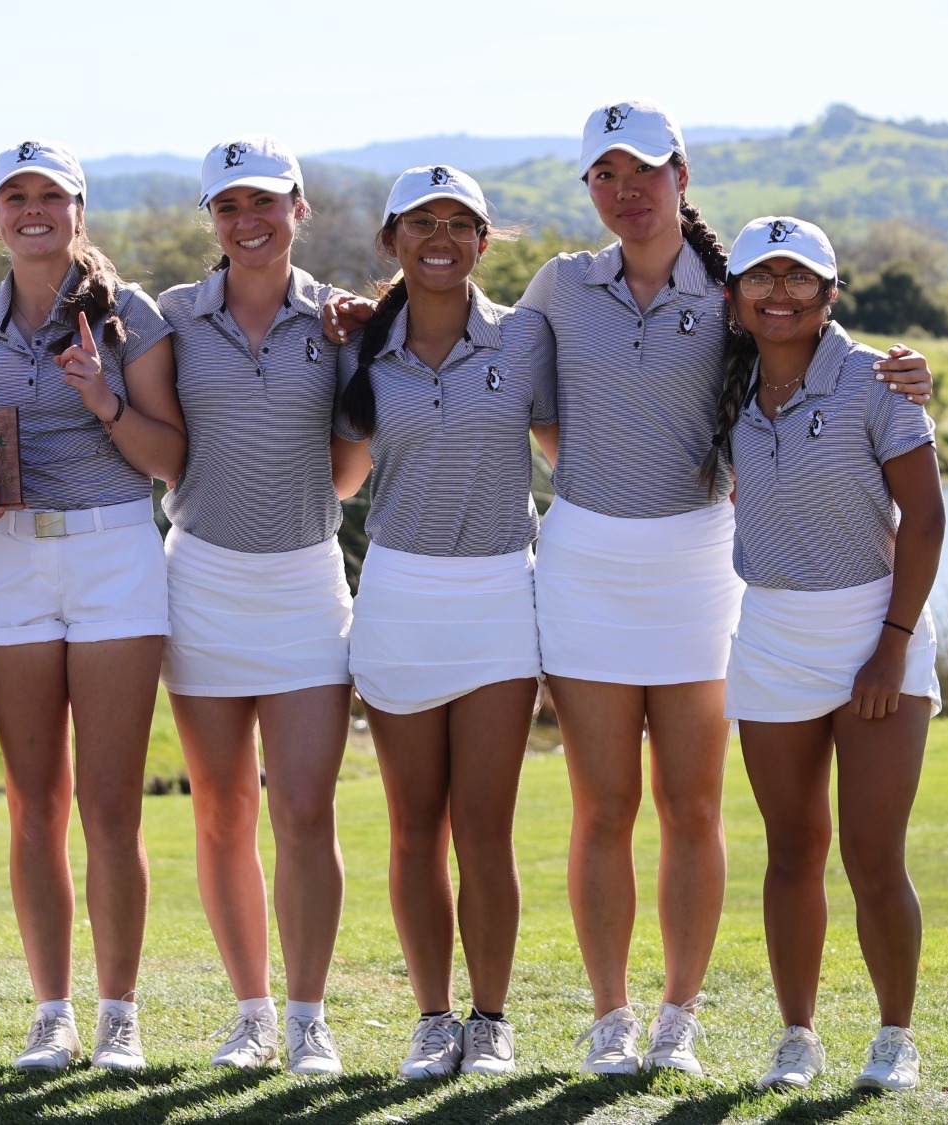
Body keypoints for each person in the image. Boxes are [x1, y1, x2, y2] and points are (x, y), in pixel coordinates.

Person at [321, 100, 936, 1076]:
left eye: (643, 170)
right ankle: (609, 1020)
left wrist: (898, 368)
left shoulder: (734, 287)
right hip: (582, 567)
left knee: (689, 806)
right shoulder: (560, 288)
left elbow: (802, 327)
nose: (626, 190)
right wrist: (365, 313)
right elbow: (472, 350)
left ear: (679, 176)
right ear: (589, 190)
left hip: (698, 564)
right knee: (600, 807)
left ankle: (675, 1020)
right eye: (604, 175)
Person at [0, 140, 185, 1071]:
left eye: (52, 195)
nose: (34, 209)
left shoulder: (132, 318)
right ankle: (53, 1010)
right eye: (16, 196)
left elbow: (168, 459)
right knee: (35, 804)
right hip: (8, 559)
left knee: (110, 804)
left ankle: (118, 1012)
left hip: (116, 550)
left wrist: (100, 398)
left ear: (78, 212)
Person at [713, 216, 943, 1094]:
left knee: (873, 855)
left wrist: (890, 645)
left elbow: (925, 520)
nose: (780, 293)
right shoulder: (725, 386)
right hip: (771, 631)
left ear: (830, 293)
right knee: (790, 851)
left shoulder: (876, 381)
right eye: (761, 279)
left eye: (799, 278)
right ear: (734, 298)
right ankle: (798, 1035)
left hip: (874, 627)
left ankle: (894, 1035)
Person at [155, 135, 369, 1074]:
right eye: (230, 207)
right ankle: (250, 1011)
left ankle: (306, 1016)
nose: (249, 223)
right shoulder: (171, 318)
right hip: (200, 577)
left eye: (266, 204)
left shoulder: (341, 320)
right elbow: (158, 444)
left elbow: (351, 467)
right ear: (212, 220)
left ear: (298, 210)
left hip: (303, 581)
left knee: (305, 813)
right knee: (222, 808)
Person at [333, 166, 550, 1080]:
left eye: (461, 222)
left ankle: (490, 1020)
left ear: (483, 242)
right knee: (415, 825)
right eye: (422, 221)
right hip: (399, 598)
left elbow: (577, 441)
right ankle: (432, 1019)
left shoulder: (527, 339)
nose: (441, 236)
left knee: (484, 827)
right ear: (391, 241)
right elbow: (342, 478)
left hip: (501, 595)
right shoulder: (359, 350)